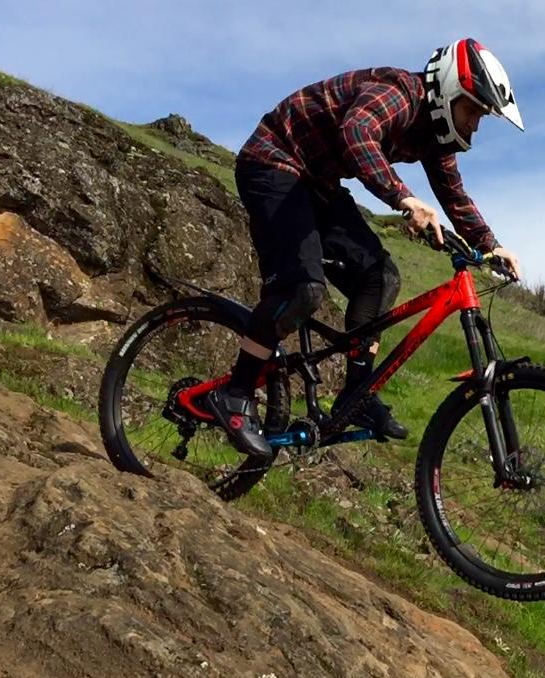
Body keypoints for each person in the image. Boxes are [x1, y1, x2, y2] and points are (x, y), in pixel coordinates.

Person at [206, 39, 525, 457]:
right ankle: (235, 392)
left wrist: (492, 245)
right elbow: (357, 132)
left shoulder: (434, 136)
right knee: (303, 289)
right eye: (474, 111)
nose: (475, 125)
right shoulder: (398, 92)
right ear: (449, 90)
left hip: (317, 182)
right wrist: (402, 197)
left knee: (381, 276)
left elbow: (453, 193)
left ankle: (355, 395)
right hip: (273, 163)